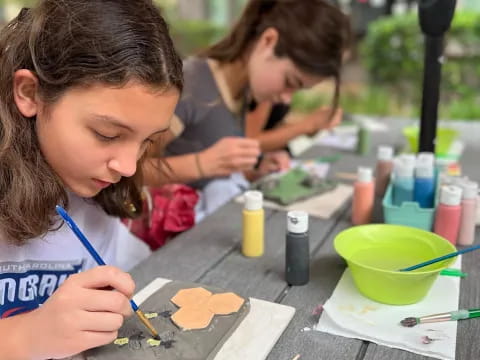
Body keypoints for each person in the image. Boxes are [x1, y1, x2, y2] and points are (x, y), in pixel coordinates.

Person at [0, 1, 182, 358]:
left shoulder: (94, 195)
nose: (129, 166)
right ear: (29, 93)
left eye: (147, 140)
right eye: (107, 134)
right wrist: (25, 335)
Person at [143, 0, 351, 218]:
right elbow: (128, 172)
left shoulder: (242, 92)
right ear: (268, 41)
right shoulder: (190, 87)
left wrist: (254, 170)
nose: (287, 98)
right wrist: (201, 164)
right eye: (290, 82)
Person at [246, 100, 343, 152]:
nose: (286, 98)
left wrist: (315, 126)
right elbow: (250, 142)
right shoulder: (266, 90)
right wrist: (308, 125)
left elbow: (273, 125)